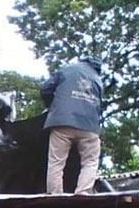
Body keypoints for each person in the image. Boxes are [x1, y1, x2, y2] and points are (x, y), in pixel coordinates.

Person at [41, 57, 103, 194]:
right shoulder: (97, 80)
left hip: (63, 122)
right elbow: (99, 106)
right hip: (89, 126)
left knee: (56, 161)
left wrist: (52, 106)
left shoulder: (68, 69)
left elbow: (45, 88)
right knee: (90, 161)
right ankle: (83, 193)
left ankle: (55, 195)